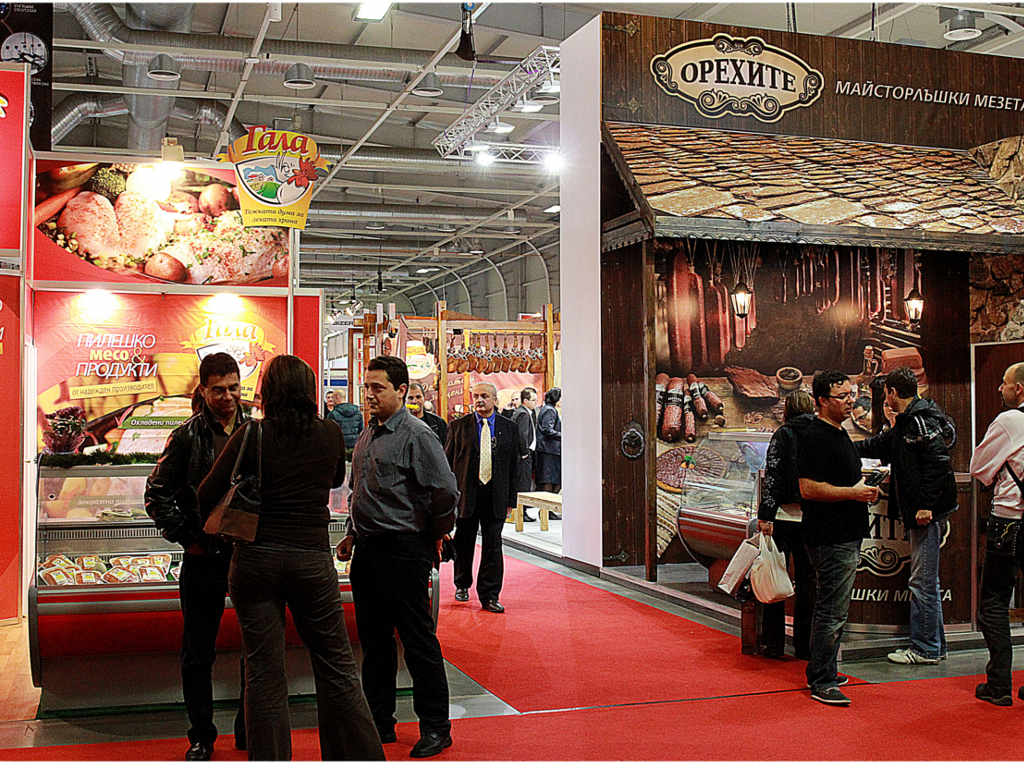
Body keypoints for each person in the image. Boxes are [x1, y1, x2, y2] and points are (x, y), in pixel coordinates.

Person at [197, 355, 384, 761]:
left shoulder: (253, 434)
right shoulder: (330, 432)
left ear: (269, 391)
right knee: (337, 666)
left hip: (255, 560)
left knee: (264, 672)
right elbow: (336, 478)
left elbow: (206, 492)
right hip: (311, 559)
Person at [335, 355, 459, 758]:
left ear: (402, 390)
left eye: (378, 388)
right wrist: (352, 532)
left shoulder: (417, 435)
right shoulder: (368, 433)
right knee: (374, 643)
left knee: (417, 641)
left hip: (405, 551)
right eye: (366, 387)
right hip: (368, 550)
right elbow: (361, 490)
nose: (369, 395)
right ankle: (380, 720)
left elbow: (445, 491)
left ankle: (436, 727)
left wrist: (433, 534)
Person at [145, 352, 248, 761]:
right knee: (198, 652)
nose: (228, 397)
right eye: (219, 390)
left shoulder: (255, 431)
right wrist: (187, 537)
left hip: (246, 555)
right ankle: (201, 736)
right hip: (203, 556)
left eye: (234, 388)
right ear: (203, 390)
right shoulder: (186, 436)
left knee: (254, 647)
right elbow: (156, 493)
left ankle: (248, 727)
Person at [856, 367, 956, 666]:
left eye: (886, 392)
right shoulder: (911, 419)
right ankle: (935, 646)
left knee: (922, 582)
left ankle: (925, 649)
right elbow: (880, 445)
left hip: (927, 514)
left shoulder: (917, 420)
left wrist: (925, 505)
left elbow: (938, 464)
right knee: (926, 582)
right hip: (927, 511)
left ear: (892, 392)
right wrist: (842, 446)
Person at [798, 370, 879, 707]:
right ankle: (822, 679)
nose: (850, 402)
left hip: (844, 531)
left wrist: (862, 488)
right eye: (842, 396)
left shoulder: (839, 432)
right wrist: (853, 493)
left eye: (851, 395)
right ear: (821, 400)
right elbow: (808, 488)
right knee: (832, 610)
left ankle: (824, 668)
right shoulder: (815, 436)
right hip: (830, 534)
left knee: (833, 608)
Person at [970, 362, 1024, 706]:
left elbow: (978, 468)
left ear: (1019, 388)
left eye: (1004, 383)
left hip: (1009, 520)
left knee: (993, 602)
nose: (999, 389)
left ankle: (999, 683)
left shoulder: (1010, 421)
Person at [446, 381, 522, 613]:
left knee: (493, 546)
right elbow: (447, 465)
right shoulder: (458, 427)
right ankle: (462, 584)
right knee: (464, 542)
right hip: (466, 496)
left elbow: (515, 467)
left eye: (485, 396)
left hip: (496, 497)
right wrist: (449, 498)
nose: (479, 400)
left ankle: (490, 595)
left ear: (495, 400)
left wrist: (511, 500)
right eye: (476, 396)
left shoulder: (510, 428)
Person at [756, 390, 816, 660]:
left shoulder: (783, 434)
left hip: (782, 518)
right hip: (812, 517)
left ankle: (773, 643)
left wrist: (765, 515)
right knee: (808, 582)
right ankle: (805, 645)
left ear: (787, 410)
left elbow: (773, 477)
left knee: (775, 576)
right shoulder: (820, 433)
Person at [512, 387, 539, 523]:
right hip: (522, 455)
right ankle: (521, 512)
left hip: (524, 454)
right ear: (525, 401)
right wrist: (524, 453)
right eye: (533, 400)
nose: (535, 403)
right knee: (523, 483)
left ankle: (522, 511)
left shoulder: (525, 412)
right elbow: (522, 435)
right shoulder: (523, 414)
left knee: (524, 482)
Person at [536, 388, 562, 501]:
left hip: (549, 450)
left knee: (552, 481)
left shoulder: (548, 409)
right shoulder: (550, 410)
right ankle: (547, 508)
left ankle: (548, 508)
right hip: (549, 451)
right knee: (550, 481)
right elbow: (547, 429)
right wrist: (563, 435)